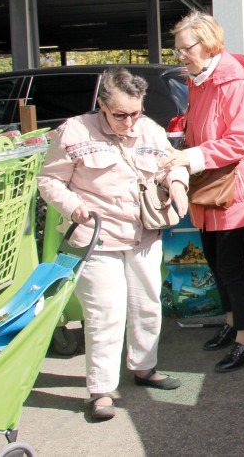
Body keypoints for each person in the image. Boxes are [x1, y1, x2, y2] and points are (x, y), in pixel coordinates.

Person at [37, 67, 189, 422]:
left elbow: (171, 165)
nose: (129, 122)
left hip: (144, 236)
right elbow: (49, 180)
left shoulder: (150, 128)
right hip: (97, 239)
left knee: (148, 305)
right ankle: (100, 391)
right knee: (105, 313)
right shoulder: (74, 131)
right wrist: (74, 208)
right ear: (102, 106)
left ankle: (144, 369)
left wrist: (178, 182)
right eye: (120, 115)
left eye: (135, 112)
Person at [158, 12, 244, 373]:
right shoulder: (200, 78)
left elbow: (240, 140)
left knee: (229, 265)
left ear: (209, 44)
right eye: (177, 48)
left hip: (234, 188)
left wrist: (191, 156)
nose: (180, 55)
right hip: (212, 185)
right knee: (214, 260)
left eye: (186, 48)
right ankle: (232, 324)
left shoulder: (232, 82)